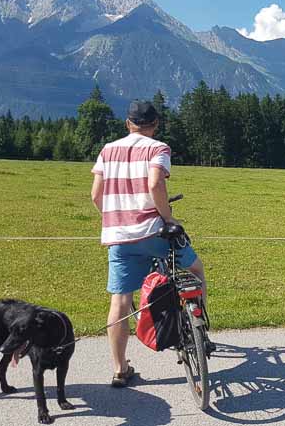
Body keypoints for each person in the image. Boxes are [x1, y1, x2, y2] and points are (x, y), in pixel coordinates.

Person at [91, 100, 206, 388]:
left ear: (128, 123)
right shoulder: (158, 148)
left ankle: (120, 368)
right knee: (195, 269)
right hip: (153, 231)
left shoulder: (107, 150)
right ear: (155, 125)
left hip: (120, 238)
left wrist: (116, 219)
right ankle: (200, 329)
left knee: (120, 301)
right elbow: (155, 184)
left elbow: (96, 195)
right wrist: (169, 218)